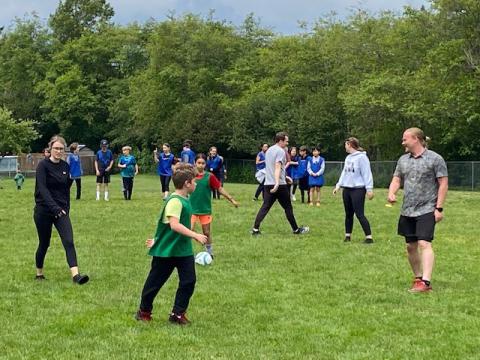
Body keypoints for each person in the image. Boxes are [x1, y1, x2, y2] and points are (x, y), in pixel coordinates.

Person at [135, 163, 208, 324]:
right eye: (194, 182)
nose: (195, 184)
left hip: (183, 250)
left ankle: (177, 314)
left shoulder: (185, 199)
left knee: (188, 281)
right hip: (167, 250)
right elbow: (173, 225)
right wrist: (195, 234)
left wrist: (157, 238)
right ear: (187, 183)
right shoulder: (174, 201)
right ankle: (144, 311)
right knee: (155, 282)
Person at [388, 128, 448, 293]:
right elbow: (397, 178)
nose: (403, 143)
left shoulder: (435, 159)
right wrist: (392, 192)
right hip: (407, 210)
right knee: (410, 246)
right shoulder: (403, 160)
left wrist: (439, 208)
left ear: (416, 139)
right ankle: (418, 278)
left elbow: (443, 184)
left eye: (405, 139)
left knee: (424, 243)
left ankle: (426, 283)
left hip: (427, 208)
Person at [33, 135, 89, 284]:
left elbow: (65, 190)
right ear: (50, 149)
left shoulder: (65, 166)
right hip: (44, 211)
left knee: (69, 241)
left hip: (61, 211)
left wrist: (65, 208)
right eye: (56, 148)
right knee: (44, 243)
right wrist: (54, 208)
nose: (58, 151)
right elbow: (43, 190)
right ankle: (39, 273)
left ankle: (76, 276)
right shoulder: (42, 166)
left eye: (61, 149)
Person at [251, 132, 309, 235]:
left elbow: (272, 167)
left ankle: (255, 230)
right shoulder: (280, 151)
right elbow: (277, 166)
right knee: (288, 207)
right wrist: (278, 182)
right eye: (286, 141)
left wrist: (285, 177)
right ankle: (296, 230)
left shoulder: (269, 151)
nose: (287, 143)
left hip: (268, 183)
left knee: (265, 207)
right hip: (279, 185)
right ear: (280, 141)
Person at [191, 153, 239, 256]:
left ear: (206, 164)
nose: (200, 165)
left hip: (205, 209)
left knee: (207, 232)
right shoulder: (190, 176)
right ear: (194, 163)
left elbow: (220, 189)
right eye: (198, 163)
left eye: (203, 163)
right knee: (189, 230)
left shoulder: (209, 176)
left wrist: (231, 199)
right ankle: (187, 252)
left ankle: (209, 252)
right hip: (191, 208)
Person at [333, 137, 374, 244]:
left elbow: (367, 173)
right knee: (348, 214)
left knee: (359, 213)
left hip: (358, 189)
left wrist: (369, 189)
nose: (345, 147)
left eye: (346, 144)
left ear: (350, 145)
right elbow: (344, 173)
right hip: (347, 189)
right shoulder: (348, 158)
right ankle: (348, 236)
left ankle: (369, 237)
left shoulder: (362, 158)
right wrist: (338, 186)